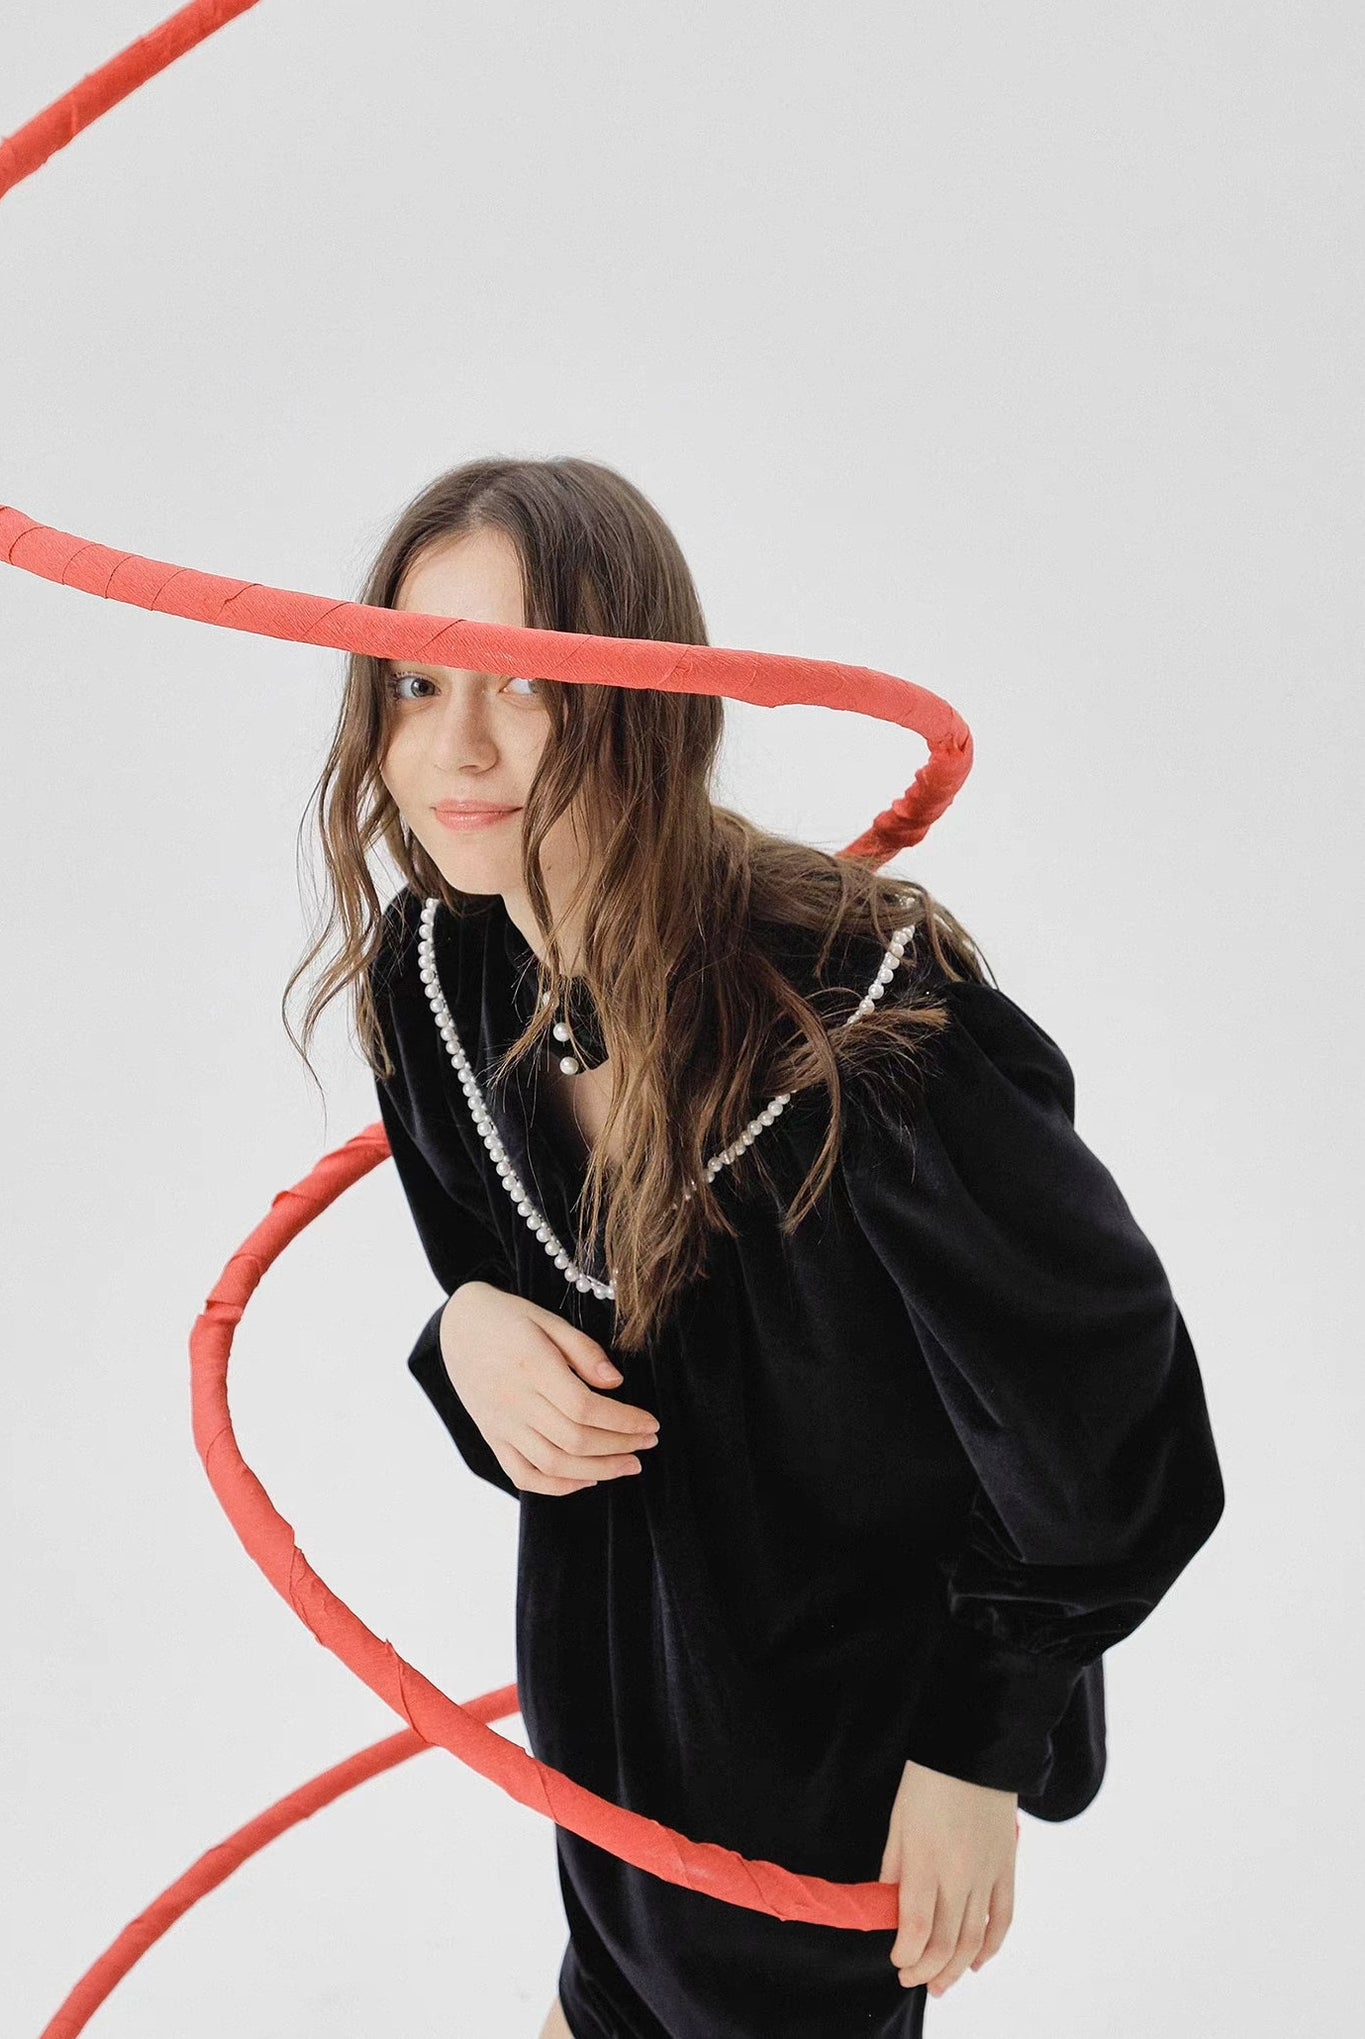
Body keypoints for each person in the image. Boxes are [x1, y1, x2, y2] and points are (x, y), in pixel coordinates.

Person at [284, 455, 1227, 2038]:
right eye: (415, 681)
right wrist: (464, 1337)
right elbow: (517, 1314)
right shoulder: (437, 973)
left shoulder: (866, 1026)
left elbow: (1114, 1426)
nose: (456, 747)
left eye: (526, 681)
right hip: (618, 1714)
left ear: (641, 696)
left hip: (833, 1751)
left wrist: (977, 1746)